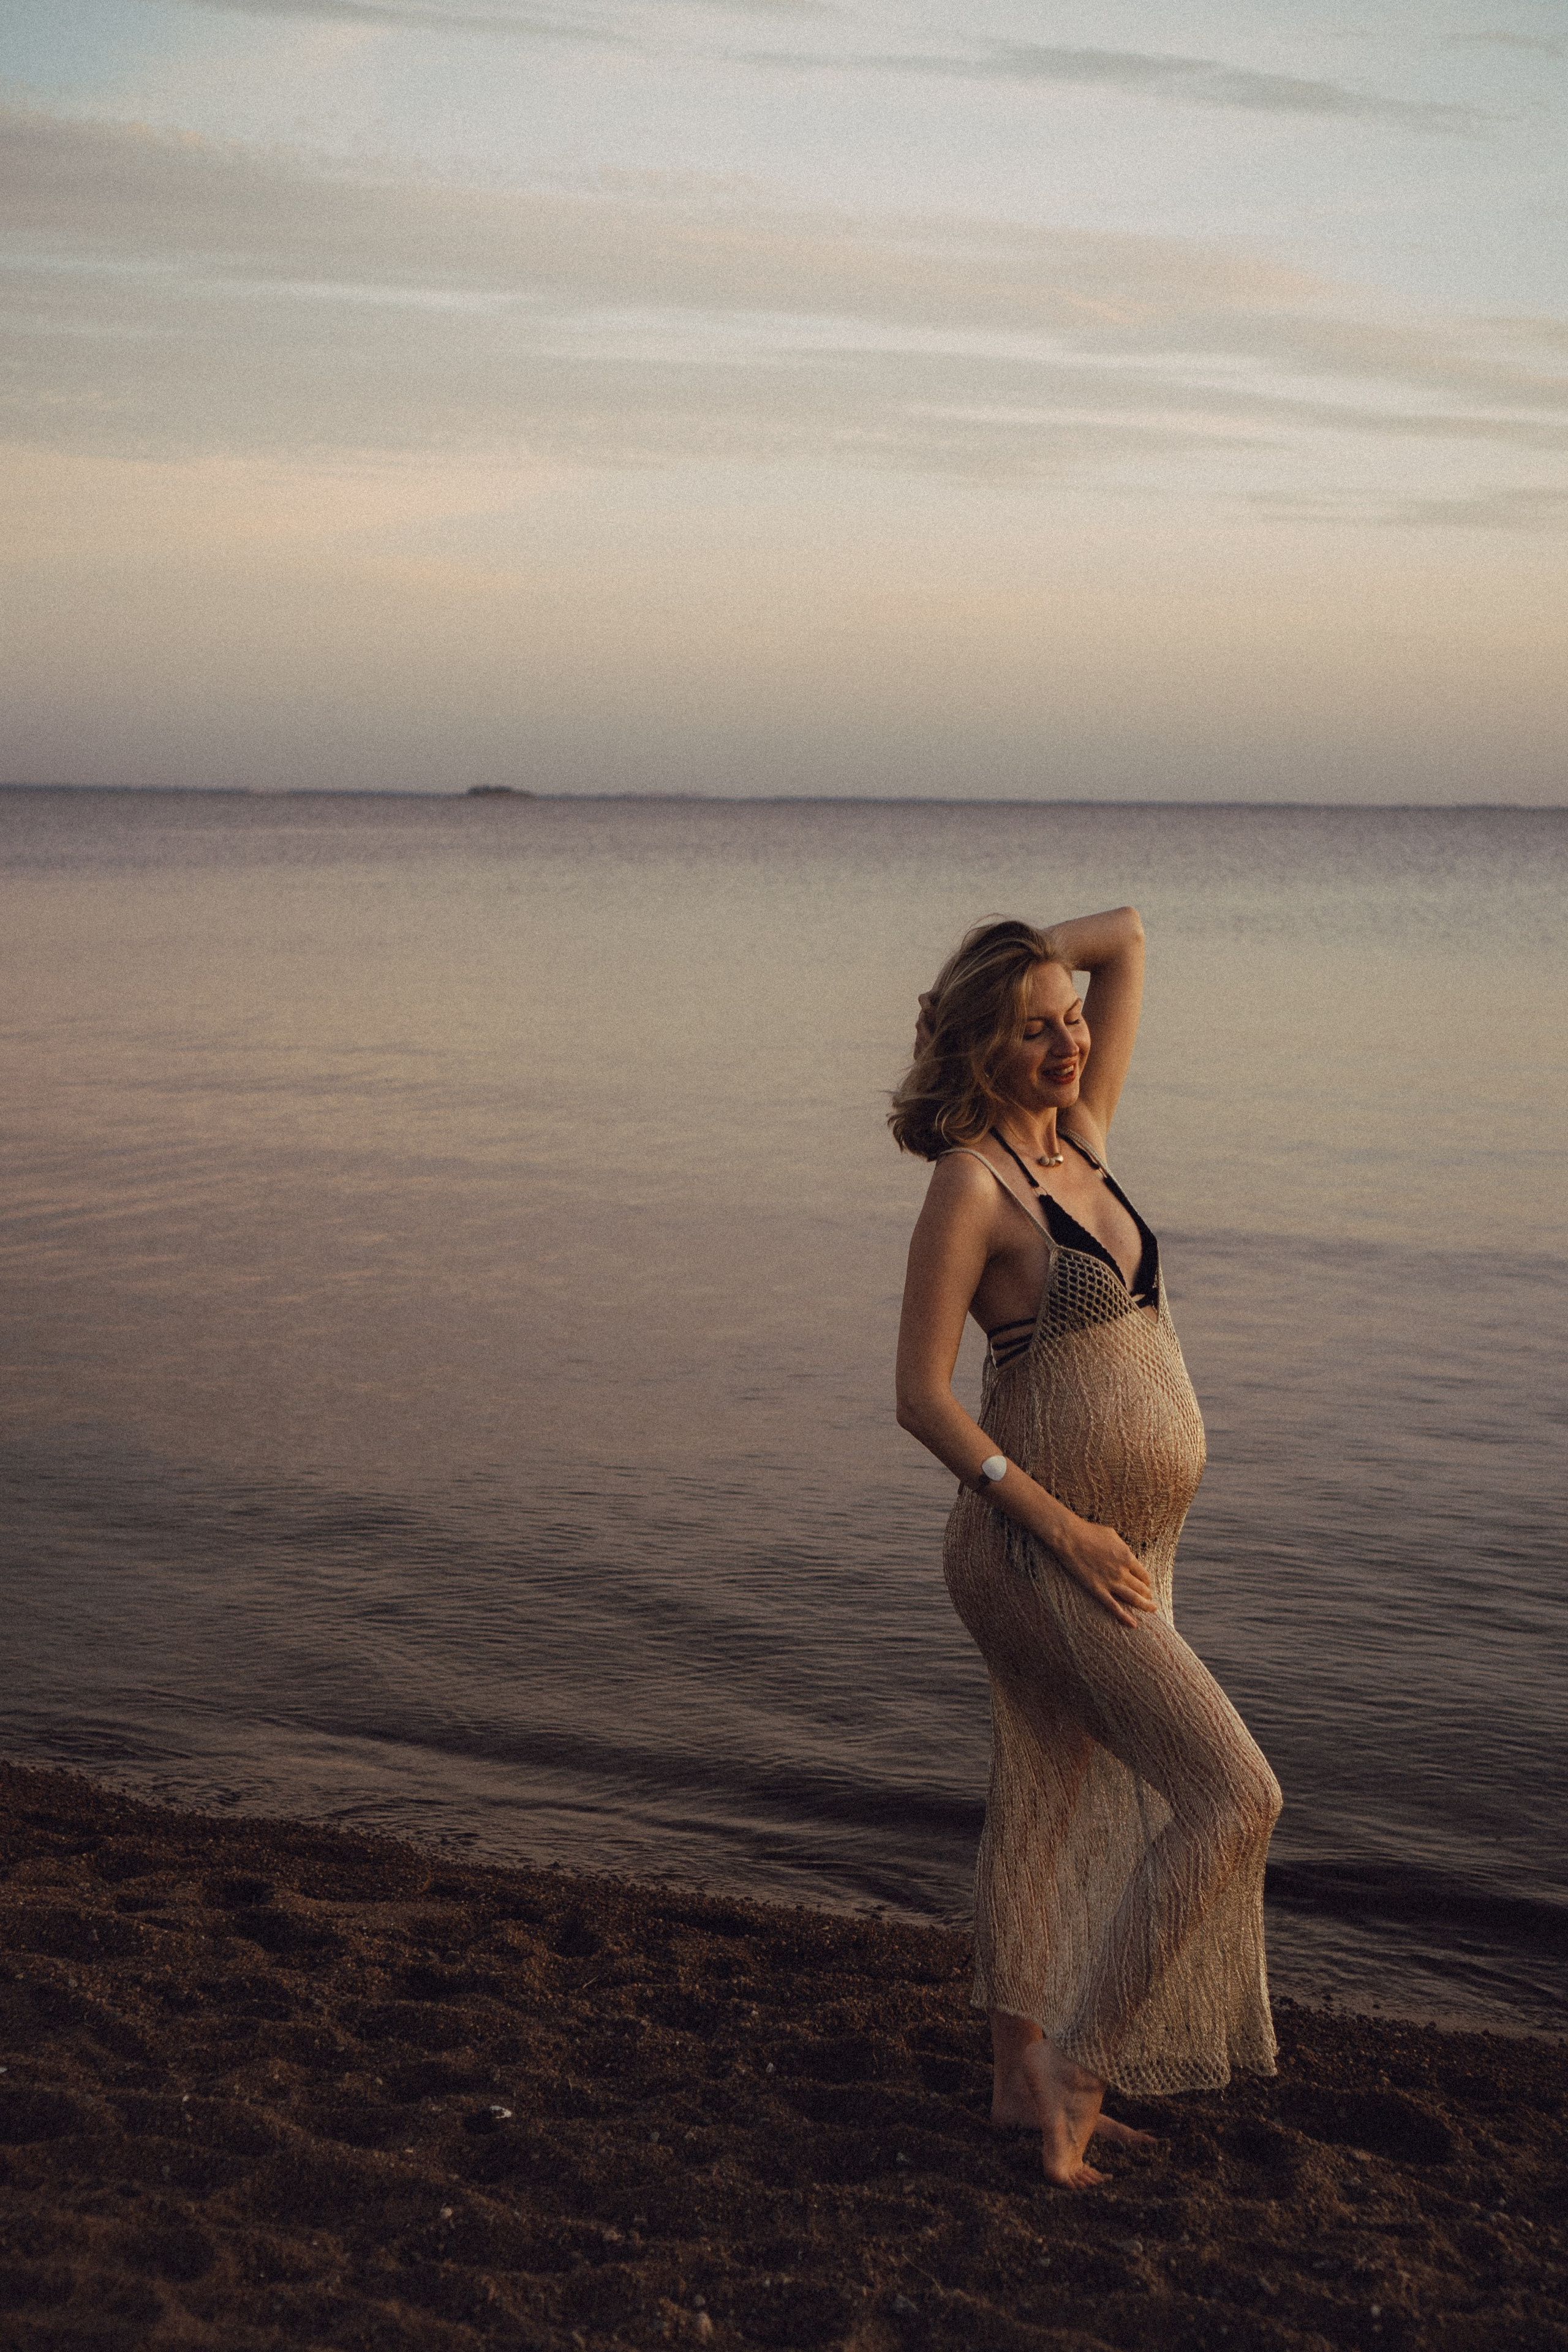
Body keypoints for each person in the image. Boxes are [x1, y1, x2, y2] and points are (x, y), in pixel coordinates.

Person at [891, 910, 1281, 2188]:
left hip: (1124, 1549)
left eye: (1069, 1021)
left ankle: (1017, 2082)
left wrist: (1016, 966)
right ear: (979, 1049)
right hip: (1035, 1552)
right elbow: (920, 1398)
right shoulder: (971, 1183)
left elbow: (1125, 937)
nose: (1068, 1041)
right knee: (1235, 1796)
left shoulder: (1088, 1145)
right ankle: (1077, 2069)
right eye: (1032, 1027)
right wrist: (1058, 1525)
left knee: (1047, 1794)